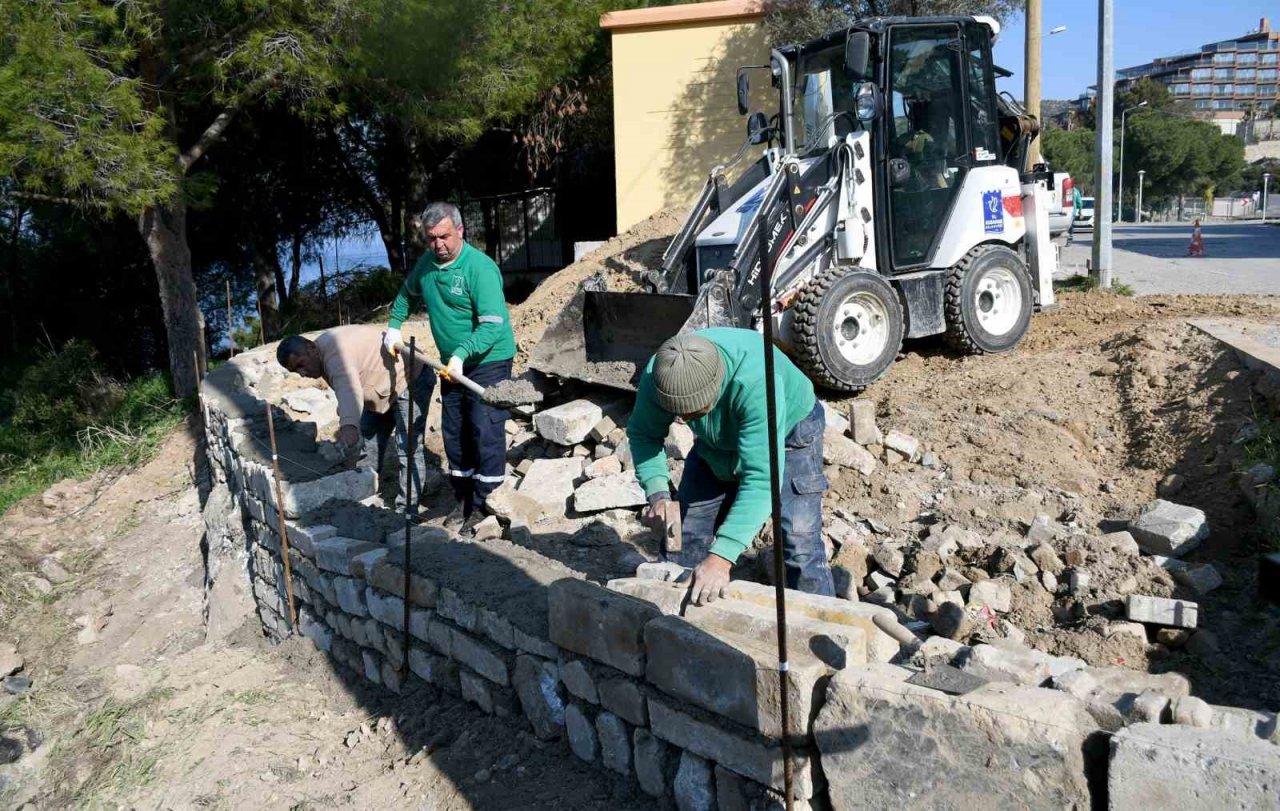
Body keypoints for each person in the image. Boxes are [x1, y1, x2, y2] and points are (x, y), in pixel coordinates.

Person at [627, 328, 835, 606]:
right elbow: (643, 433)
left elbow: (761, 480)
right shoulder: (662, 375)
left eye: (695, 412)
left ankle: (824, 631)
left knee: (799, 546)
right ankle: (676, 627)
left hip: (790, 433)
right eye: (682, 414)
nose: (687, 419)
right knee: (682, 537)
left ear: (717, 390)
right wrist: (658, 494)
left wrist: (721, 557)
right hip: (715, 444)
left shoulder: (755, 382)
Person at [383, 201, 516, 534]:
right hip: (452, 366)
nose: (438, 245)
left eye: (444, 236)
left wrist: (460, 354)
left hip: (488, 360)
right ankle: (464, 499)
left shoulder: (480, 269)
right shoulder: (427, 266)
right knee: (454, 432)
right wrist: (394, 326)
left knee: (484, 428)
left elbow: (492, 325)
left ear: (460, 230)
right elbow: (405, 294)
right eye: (431, 239)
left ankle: (487, 503)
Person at [276, 326, 430, 509]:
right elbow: (346, 388)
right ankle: (365, 499)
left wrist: (349, 425)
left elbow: (348, 387)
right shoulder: (320, 355)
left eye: (301, 364)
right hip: (381, 386)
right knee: (369, 440)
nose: (302, 374)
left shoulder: (335, 354)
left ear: (311, 347)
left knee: (408, 448)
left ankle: (407, 512)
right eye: (296, 371)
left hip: (410, 377)